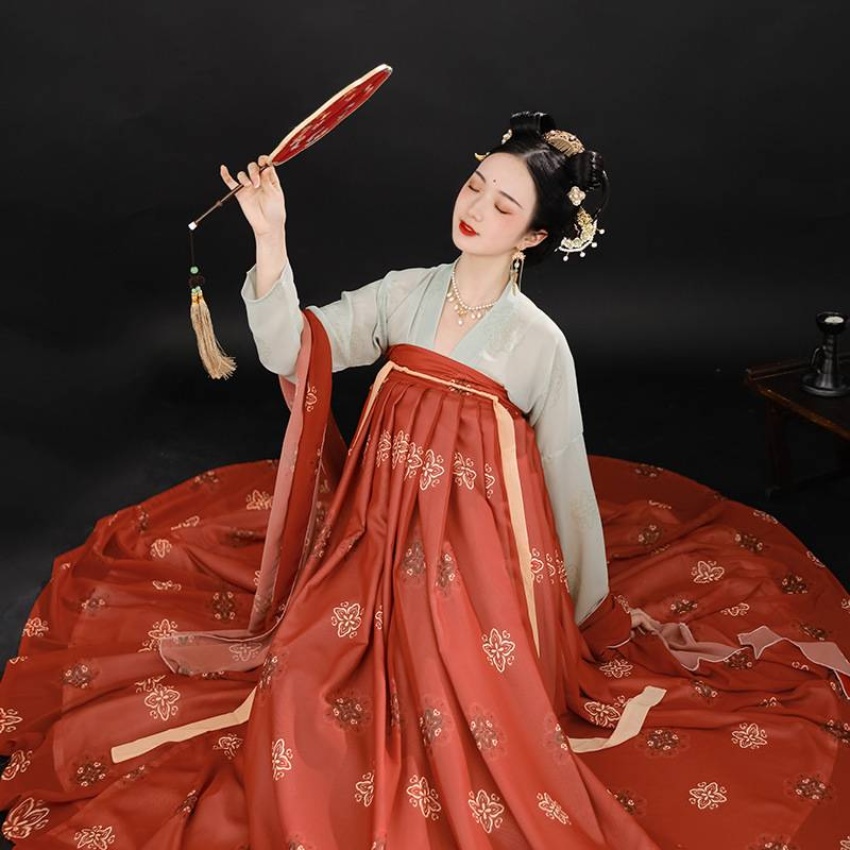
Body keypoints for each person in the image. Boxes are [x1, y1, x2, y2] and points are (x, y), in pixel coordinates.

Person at [0, 112, 848, 850]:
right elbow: (293, 351)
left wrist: (585, 613)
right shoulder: (403, 295)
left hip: (475, 568)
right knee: (303, 683)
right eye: (477, 185)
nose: (476, 208)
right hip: (371, 540)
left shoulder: (538, 344)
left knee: (471, 699)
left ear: (534, 239)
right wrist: (270, 237)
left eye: (504, 206)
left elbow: (562, 476)